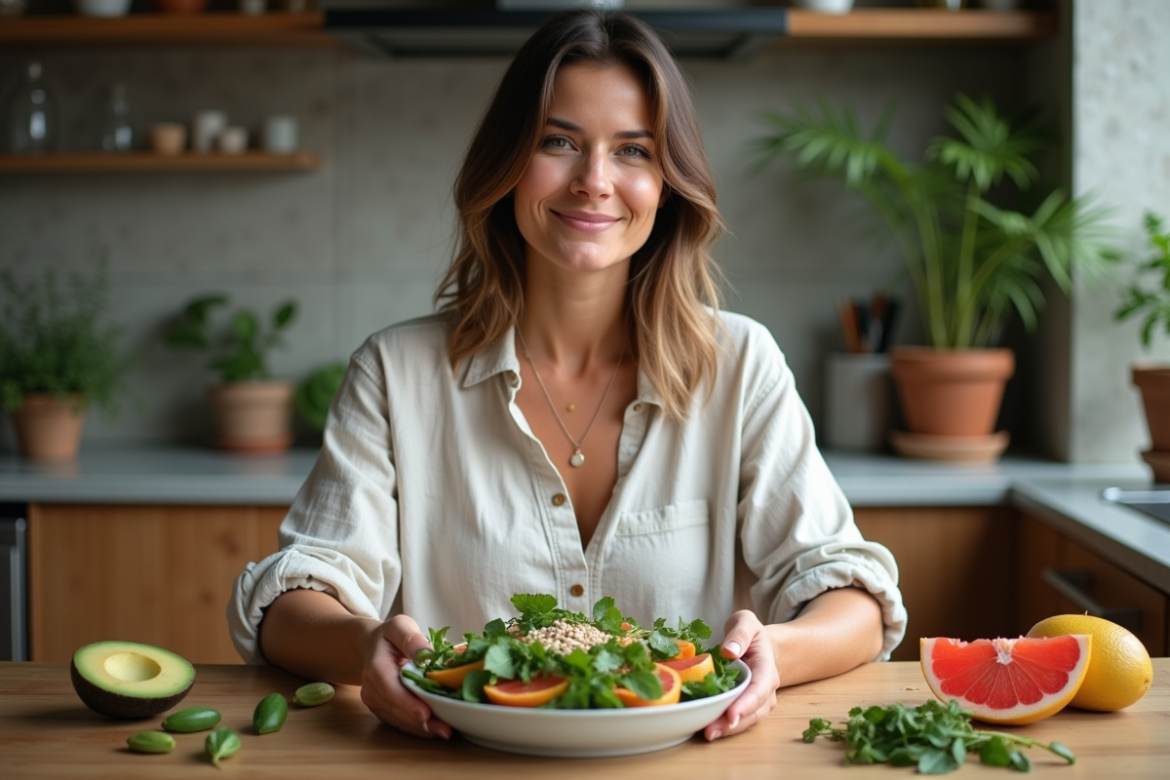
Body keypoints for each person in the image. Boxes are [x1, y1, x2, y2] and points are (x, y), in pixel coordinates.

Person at [229, 10, 906, 742]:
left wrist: (777, 650)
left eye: (633, 151)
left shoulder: (740, 364)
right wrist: (366, 648)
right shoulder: (396, 372)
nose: (594, 181)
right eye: (559, 142)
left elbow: (854, 598)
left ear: (668, 183)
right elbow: (291, 601)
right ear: (507, 163)